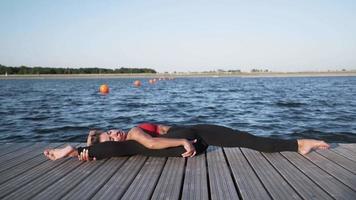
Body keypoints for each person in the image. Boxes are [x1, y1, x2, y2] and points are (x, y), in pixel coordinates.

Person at [44, 123, 330, 161]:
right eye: (109, 136)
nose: (114, 134)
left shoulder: (131, 132)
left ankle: (299, 143)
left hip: (196, 135)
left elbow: (154, 142)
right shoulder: (120, 145)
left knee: (247, 139)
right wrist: (80, 152)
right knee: (246, 139)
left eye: (112, 131)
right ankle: (298, 144)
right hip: (192, 139)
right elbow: (106, 148)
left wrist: (182, 139)